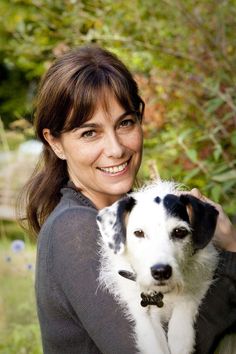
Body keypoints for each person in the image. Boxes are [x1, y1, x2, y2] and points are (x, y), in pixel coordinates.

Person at [19, 45, 236, 354]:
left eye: (125, 123)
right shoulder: (76, 230)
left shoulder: (136, 216)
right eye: (89, 133)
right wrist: (231, 251)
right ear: (55, 143)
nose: (116, 149)